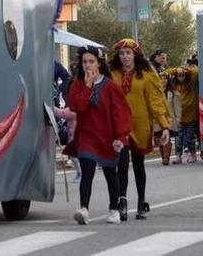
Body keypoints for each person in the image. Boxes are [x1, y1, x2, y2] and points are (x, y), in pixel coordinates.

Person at [67, 46, 132, 225]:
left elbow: (121, 112)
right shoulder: (77, 84)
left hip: (108, 137)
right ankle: (84, 209)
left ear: (99, 63)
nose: (88, 65)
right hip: (87, 136)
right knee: (86, 172)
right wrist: (87, 87)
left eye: (91, 61)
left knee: (111, 173)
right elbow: (76, 107)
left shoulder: (110, 86)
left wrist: (120, 136)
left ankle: (113, 208)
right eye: (85, 62)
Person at [109, 38, 170, 221]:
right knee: (121, 163)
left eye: (128, 53)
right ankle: (122, 201)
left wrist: (164, 126)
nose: (125, 57)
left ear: (135, 55)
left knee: (138, 164)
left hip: (141, 125)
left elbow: (155, 101)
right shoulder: (113, 75)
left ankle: (142, 201)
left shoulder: (146, 75)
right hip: (120, 126)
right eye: (122, 53)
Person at [171, 65, 200, 163]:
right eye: (179, 75)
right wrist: (176, 69)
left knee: (190, 138)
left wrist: (186, 69)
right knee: (178, 138)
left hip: (190, 116)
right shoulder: (175, 85)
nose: (181, 77)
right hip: (178, 116)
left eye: (183, 75)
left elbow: (196, 71)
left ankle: (192, 154)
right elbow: (165, 73)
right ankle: (178, 156)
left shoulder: (191, 83)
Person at [156, 70, 180, 165]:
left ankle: (166, 158)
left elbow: (177, 106)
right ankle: (163, 157)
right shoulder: (155, 91)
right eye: (161, 78)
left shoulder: (173, 92)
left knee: (167, 137)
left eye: (165, 78)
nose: (163, 80)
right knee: (160, 138)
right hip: (159, 117)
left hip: (170, 118)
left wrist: (178, 118)